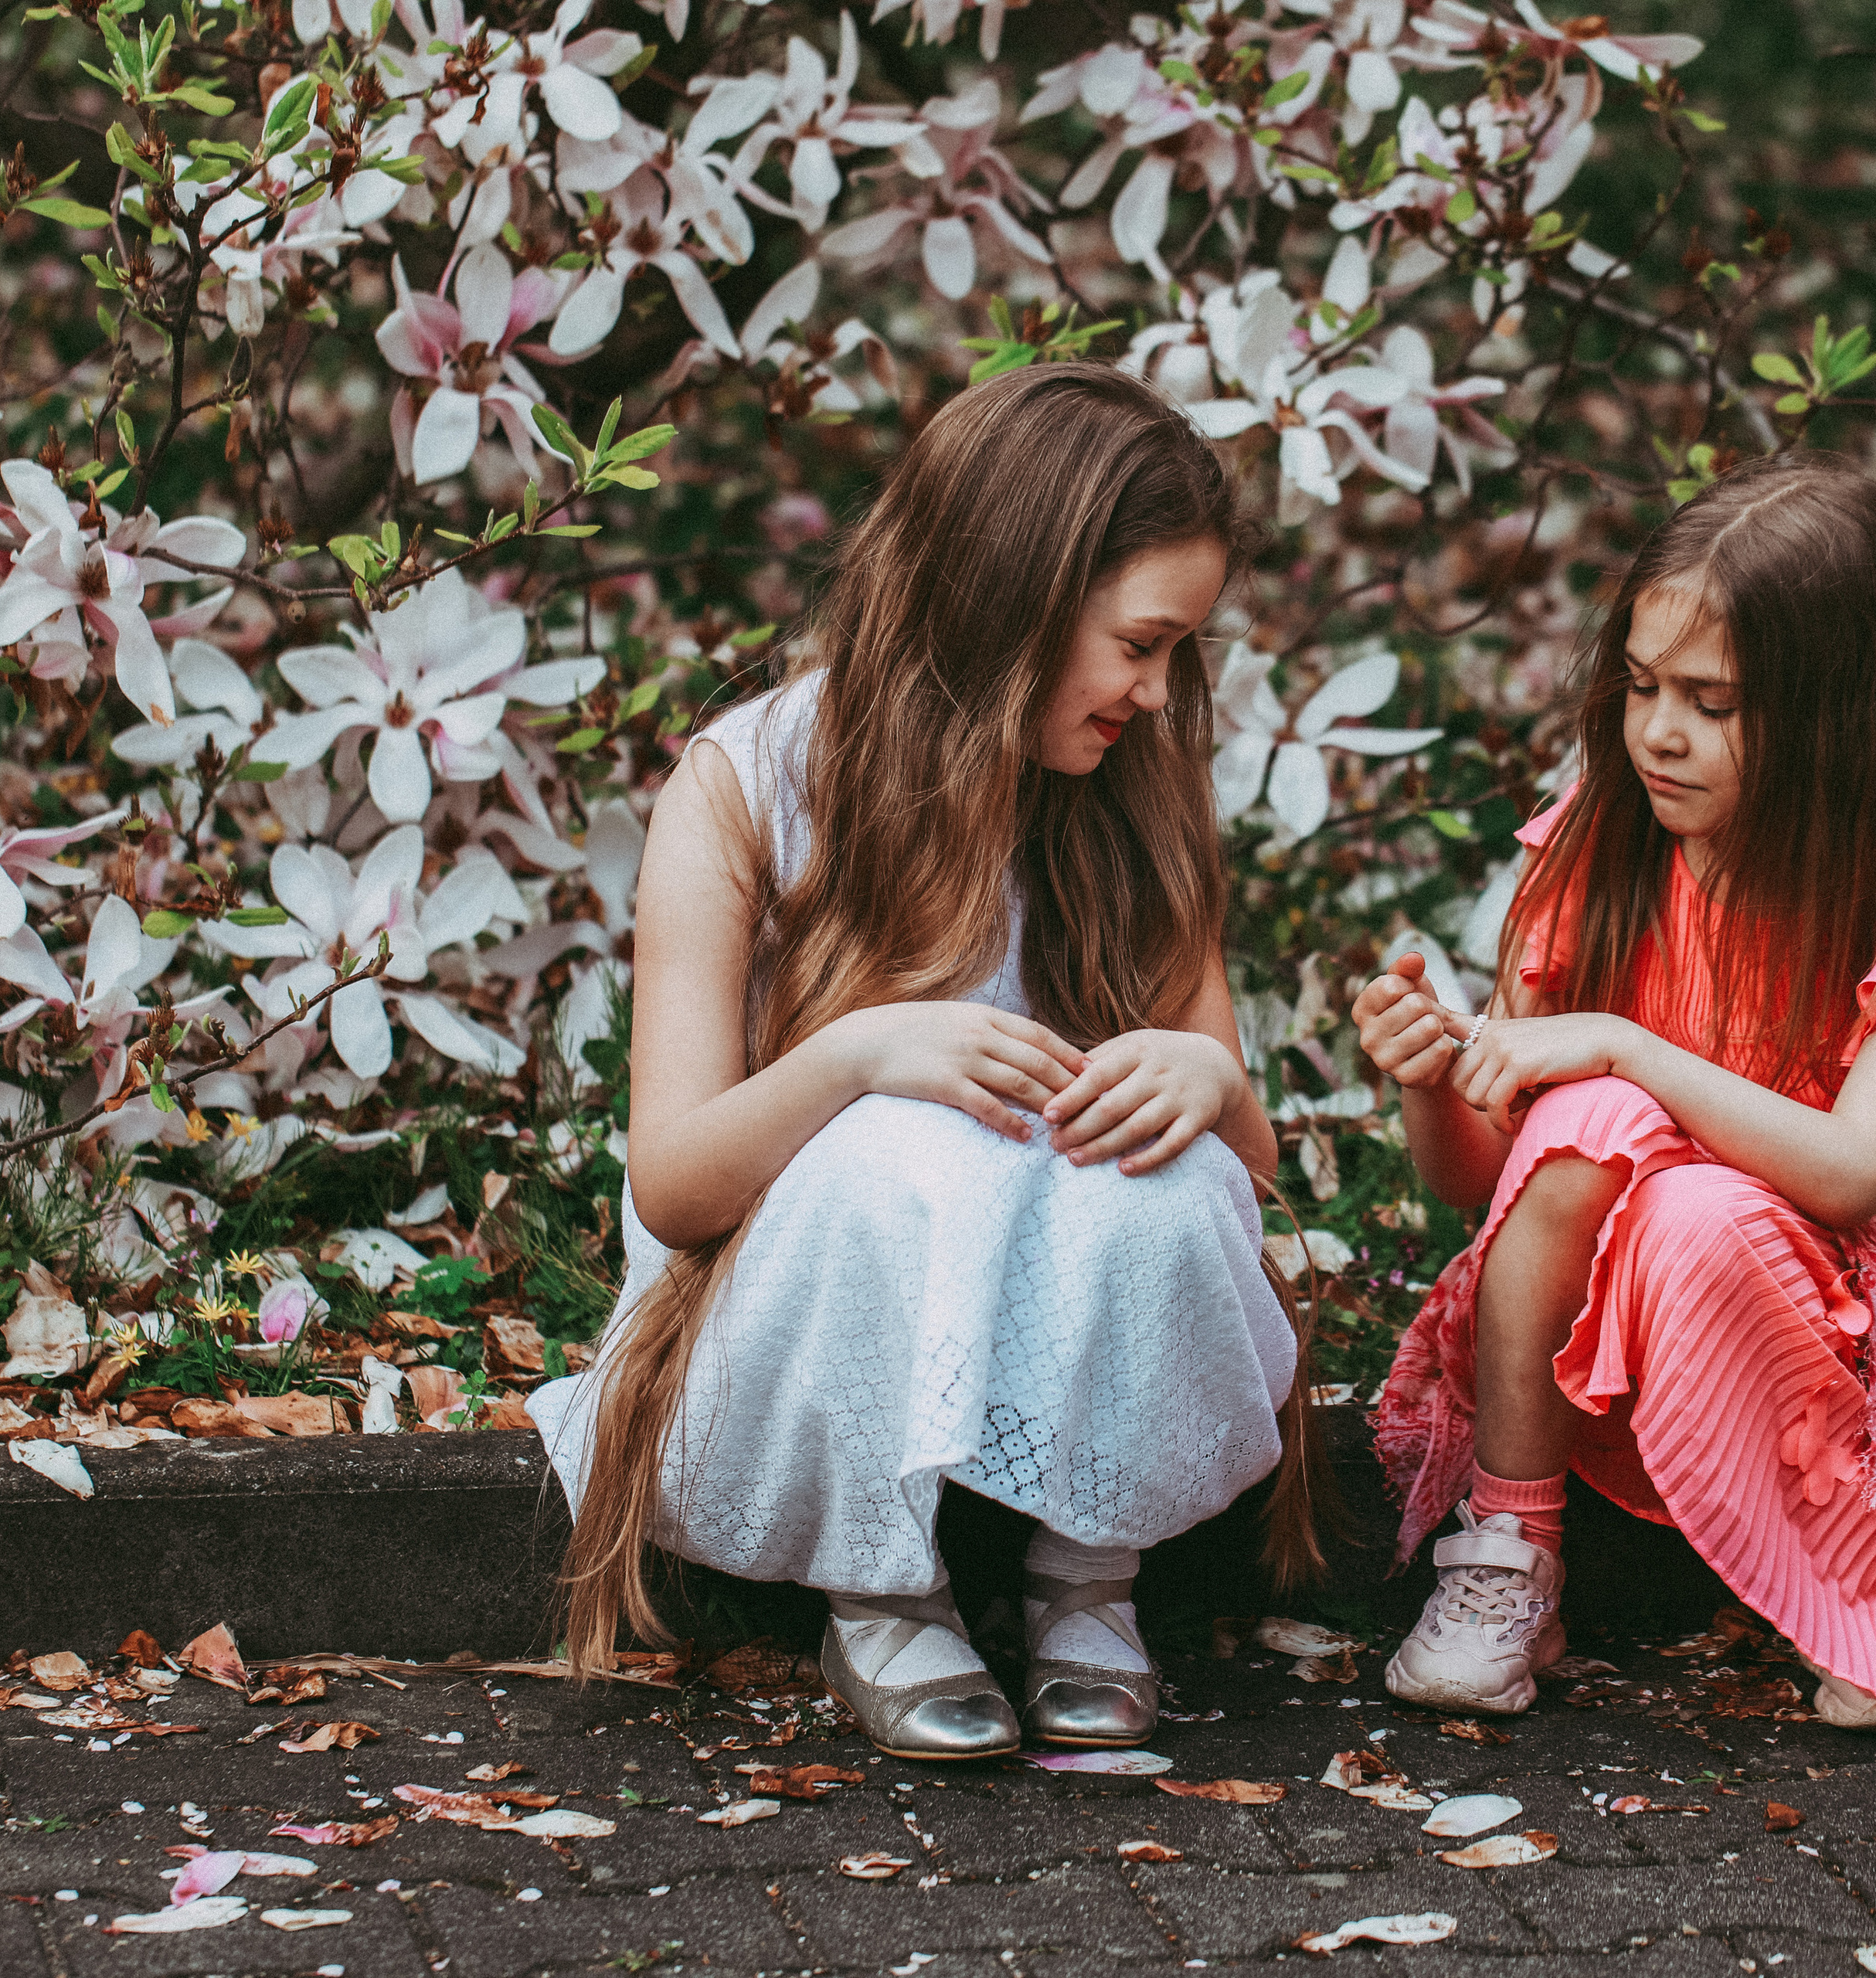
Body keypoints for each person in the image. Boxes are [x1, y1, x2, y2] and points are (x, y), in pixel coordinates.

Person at [530, 365, 1318, 1762]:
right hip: (797, 1314)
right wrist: (861, 1052)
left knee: (1163, 1163)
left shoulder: (1130, 797)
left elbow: (1241, 1176)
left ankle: (1089, 1571)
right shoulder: (749, 784)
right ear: (1014, 596)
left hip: (1056, 1299)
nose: (1156, 689)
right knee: (906, 1148)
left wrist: (1217, 1088)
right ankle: (881, 1586)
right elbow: (674, 1185)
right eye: (1140, 643)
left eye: (1178, 652)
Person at [1356, 450, 1876, 1733]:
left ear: (1839, 710)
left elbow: (1856, 1169)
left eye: (1714, 702)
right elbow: (1489, 1180)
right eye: (1639, 688)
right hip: (1621, 1359)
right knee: (1585, 1126)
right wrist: (1427, 1081)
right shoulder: (1606, 841)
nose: (1659, 733)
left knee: (1662, 1175)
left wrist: (1627, 1045)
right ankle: (1510, 1557)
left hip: (1864, 1358)